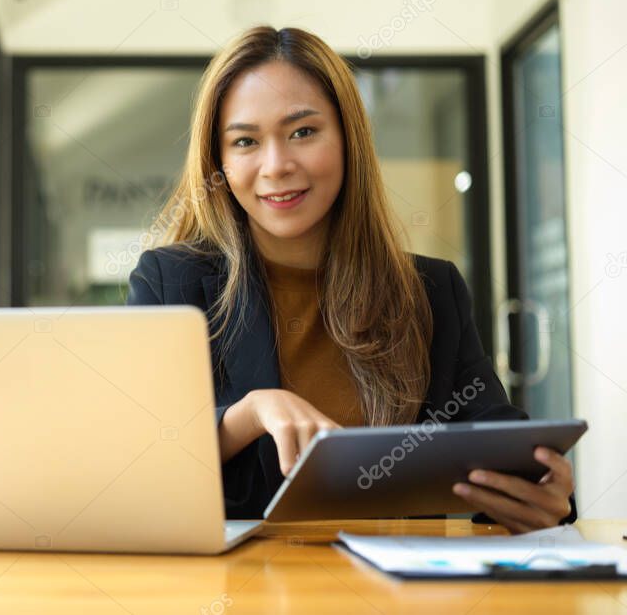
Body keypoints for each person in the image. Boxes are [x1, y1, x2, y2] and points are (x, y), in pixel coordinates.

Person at [126, 26, 575, 533]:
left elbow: (490, 436)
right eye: (246, 141)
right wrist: (248, 415)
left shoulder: (429, 290)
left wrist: (543, 489)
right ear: (220, 162)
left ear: (348, 140)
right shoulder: (172, 284)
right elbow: (137, 459)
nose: (276, 165)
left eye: (302, 132)